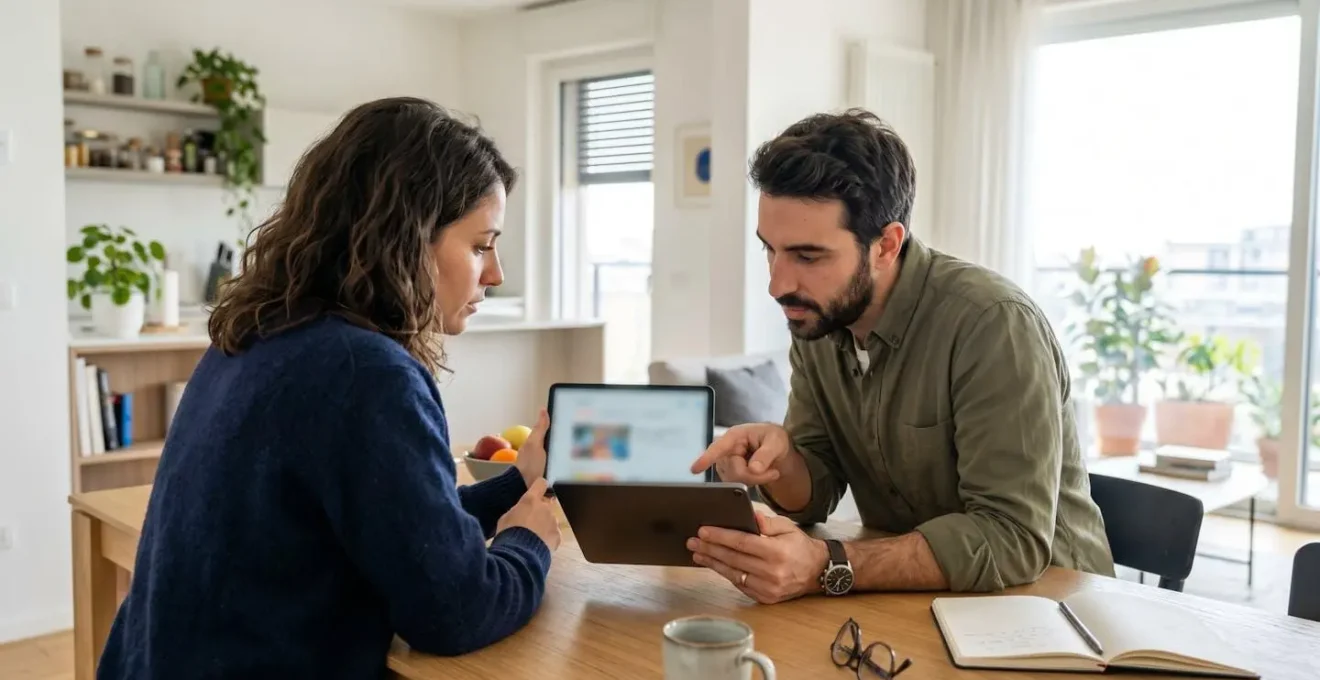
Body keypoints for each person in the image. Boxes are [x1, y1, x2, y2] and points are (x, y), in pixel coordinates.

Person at [96, 97, 562, 679]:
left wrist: (515, 485)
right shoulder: (367, 374)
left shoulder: (256, 333)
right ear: (409, 238)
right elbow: (454, 611)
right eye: (479, 244)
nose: (495, 274)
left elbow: (393, 528)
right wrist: (529, 543)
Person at [688, 109, 1114, 603]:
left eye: (808, 257)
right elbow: (817, 489)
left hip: (1051, 610)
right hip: (916, 601)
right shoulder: (819, 322)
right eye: (770, 251)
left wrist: (828, 565)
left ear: (886, 245)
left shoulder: (993, 324)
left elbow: (1012, 539)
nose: (778, 285)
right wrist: (782, 465)